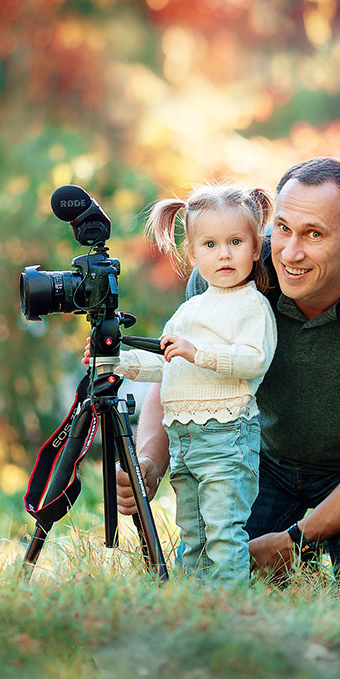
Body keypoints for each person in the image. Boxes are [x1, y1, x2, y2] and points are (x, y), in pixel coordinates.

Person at [118, 158, 340, 609]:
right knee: (204, 587)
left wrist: (297, 540)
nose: (290, 252)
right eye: (284, 229)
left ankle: (312, 551)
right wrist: (149, 463)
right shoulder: (230, 266)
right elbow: (181, 369)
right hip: (257, 457)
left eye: (314, 234)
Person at [96, 183, 277, 585]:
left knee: (223, 531)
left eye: (235, 242)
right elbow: (168, 365)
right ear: (193, 254)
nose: (224, 253)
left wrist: (199, 353)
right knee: (193, 532)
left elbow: (254, 359)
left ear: (255, 248)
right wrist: (117, 362)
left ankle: (229, 608)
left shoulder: (251, 306)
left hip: (226, 436)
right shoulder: (189, 309)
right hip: (185, 440)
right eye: (210, 244)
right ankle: (193, 603)